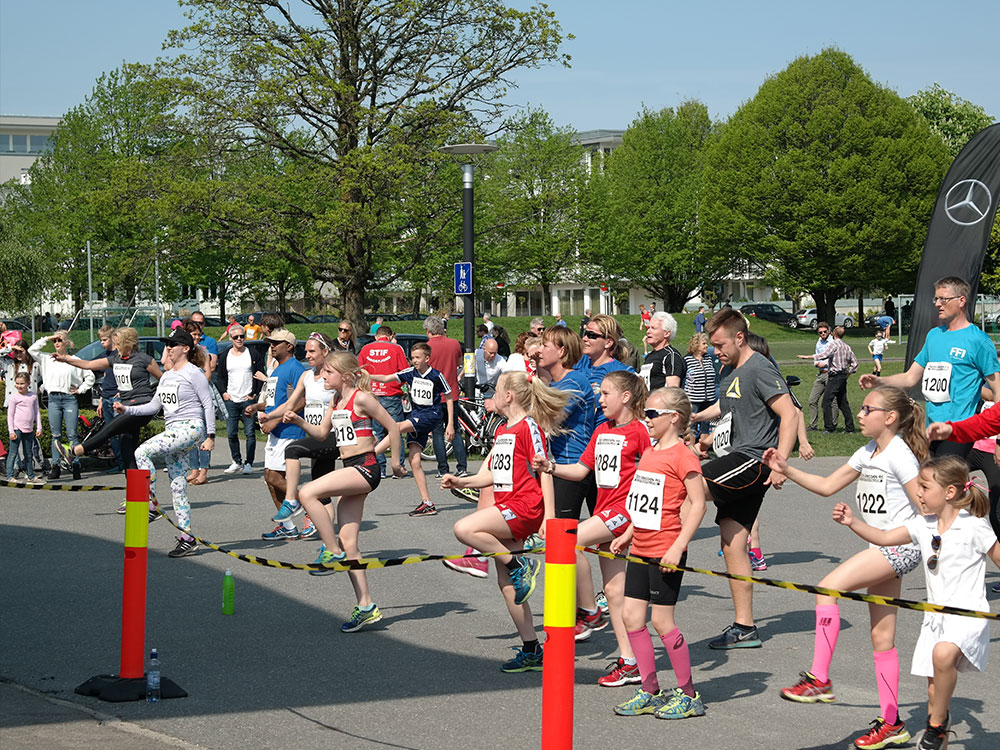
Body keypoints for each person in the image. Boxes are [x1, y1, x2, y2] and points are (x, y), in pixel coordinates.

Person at [762, 387, 927, 749]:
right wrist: (786, 468)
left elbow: (925, 507)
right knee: (882, 639)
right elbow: (827, 486)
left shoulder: (900, 455)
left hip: (898, 546)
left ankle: (819, 679)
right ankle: (892, 723)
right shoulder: (868, 451)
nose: (861, 414)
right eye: (862, 408)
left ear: (890, 418)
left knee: (826, 589)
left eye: (868, 409)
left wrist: (921, 539)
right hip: (880, 546)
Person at [832, 456, 1000, 750]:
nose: (918, 493)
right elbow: (884, 537)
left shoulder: (974, 526)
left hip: (967, 614)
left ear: (949, 492)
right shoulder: (923, 525)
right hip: (935, 617)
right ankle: (939, 728)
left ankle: (936, 725)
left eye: (924, 487)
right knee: (934, 693)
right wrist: (852, 522)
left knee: (943, 654)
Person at [442, 371, 569, 672]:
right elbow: (490, 475)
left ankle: (520, 564)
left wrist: (549, 517)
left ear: (509, 396)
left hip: (525, 507)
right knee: (506, 583)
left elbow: (544, 470)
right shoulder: (502, 430)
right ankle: (531, 648)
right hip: (506, 506)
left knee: (464, 528)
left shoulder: (529, 427)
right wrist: (461, 481)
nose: (492, 397)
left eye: (496, 391)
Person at [532, 371, 650, 687]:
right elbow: (581, 470)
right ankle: (630, 661)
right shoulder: (601, 430)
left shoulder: (640, 431)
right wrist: (550, 466)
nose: (600, 400)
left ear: (626, 397)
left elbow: (655, 474)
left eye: (606, 394)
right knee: (614, 592)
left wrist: (637, 522)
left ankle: (586, 611)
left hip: (623, 511)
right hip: (604, 510)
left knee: (566, 539)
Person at [691, 308, 798, 649]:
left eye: (720, 344)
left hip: (753, 459)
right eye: (712, 345)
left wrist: (780, 463)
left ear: (739, 338)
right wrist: (701, 426)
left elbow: (789, 414)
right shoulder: (729, 370)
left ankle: (662, 557)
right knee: (732, 542)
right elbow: (729, 409)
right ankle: (745, 627)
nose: (715, 351)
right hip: (735, 455)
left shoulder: (759, 368)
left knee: (687, 485)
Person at [281, 353, 405, 632]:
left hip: (366, 467)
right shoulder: (336, 400)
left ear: (346, 376)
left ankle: (331, 550)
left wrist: (396, 462)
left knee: (307, 492)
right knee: (350, 542)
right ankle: (366, 605)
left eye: (328, 372)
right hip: (351, 467)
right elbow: (321, 434)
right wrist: (298, 421)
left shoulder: (362, 398)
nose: (323, 376)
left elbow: (393, 426)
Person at [609, 386, 707, 719]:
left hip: (666, 549)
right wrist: (628, 533)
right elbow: (643, 504)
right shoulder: (650, 452)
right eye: (644, 414)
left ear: (673, 417)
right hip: (640, 547)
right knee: (631, 617)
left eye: (651, 414)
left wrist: (678, 546)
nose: (646, 419)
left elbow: (698, 504)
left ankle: (689, 695)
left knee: (662, 622)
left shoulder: (683, 456)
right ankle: (650, 690)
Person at [861, 276, 1000, 457]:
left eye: (944, 299)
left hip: (959, 431)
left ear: (961, 301)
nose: (937, 304)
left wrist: (999, 439)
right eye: (936, 299)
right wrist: (879, 381)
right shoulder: (934, 336)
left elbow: (997, 390)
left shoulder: (979, 340)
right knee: (926, 474)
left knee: (939, 475)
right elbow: (910, 378)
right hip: (931, 430)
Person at [115, 327, 215, 558]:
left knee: (142, 452)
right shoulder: (167, 376)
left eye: (172, 345)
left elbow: (208, 404)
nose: (168, 348)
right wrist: (126, 409)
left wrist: (211, 436)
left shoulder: (194, 373)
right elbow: (153, 406)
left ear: (186, 348)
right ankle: (187, 537)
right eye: (167, 345)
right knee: (178, 487)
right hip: (173, 430)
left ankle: (151, 504)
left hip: (190, 427)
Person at [54, 328, 162, 506]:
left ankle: (76, 451)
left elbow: (163, 380)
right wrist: (65, 359)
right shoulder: (115, 359)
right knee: (128, 454)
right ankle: (137, 499)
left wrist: (158, 402)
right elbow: (88, 364)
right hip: (125, 408)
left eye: (118, 343)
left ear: (128, 344)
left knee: (109, 429)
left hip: (141, 408)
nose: (116, 346)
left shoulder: (143, 359)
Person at [262, 332, 337, 540]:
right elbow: (290, 403)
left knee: (292, 451)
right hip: (315, 434)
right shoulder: (307, 376)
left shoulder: (334, 375)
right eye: (307, 351)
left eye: (312, 351)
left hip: (333, 435)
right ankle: (327, 540)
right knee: (321, 491)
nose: (308, 355)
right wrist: (270, 415)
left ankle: (294, 502)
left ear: (325, 352)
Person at [370, 341, 453, 516]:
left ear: (427, 358)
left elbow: (449, 397)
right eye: (412, 357)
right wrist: (366, 376)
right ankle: (427, 503)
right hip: (416, 415)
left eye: (417, 357)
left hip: (430, 415)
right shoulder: (409, 373)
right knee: (414, 461)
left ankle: (371, 455)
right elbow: (385, 378)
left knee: (396, 426)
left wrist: (451, 424)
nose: (414, 360)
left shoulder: (436, 376)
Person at [246, 328, 309, 540]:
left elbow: (302, 399)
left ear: (289, 346)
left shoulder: (295, 368)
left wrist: (275, 421)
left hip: (289, 430)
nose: (271, 346)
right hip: (276, 431)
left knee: (274, 477)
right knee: (270, 478)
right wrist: (257, 407)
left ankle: (311, 507)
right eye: (270, 343)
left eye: (276, 343)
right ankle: (288, 526)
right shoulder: (276, 369)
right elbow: (276, 401)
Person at [537, 326, 596, 520]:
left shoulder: (574, 382)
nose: (539, 350)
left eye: (545, 345)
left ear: (561, 351)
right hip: (560, 464)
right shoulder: (556, 383)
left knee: (560, 530)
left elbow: (549, 420)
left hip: (573, 463)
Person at [29, 332, 95, 480]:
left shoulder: (74, 360)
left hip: (69, 398)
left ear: (67, 342)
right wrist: (47, 338)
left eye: (60, 340)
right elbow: (31, 350)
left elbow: (90, 376)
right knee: (56, 434)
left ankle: (75, 464)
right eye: (55, 341)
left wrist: (81, 389)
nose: (57, 343)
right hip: (53, 399)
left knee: (72, 434)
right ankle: (56, 466)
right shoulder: (47, 358)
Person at [358, 325, 410, 479]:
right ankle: (398, 466)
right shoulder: (396, 348)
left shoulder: (365, 349)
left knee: (376, 432)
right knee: (396, 430)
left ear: (376, 336)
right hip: (391, 393)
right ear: (390, 336)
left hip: (371, 394)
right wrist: (401, 387)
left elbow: (359, 372)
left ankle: (379, 467)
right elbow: (405, 371)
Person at [217, 323, 266, 475]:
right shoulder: (225, 355)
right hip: (231, 399)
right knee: (231, 433)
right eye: (236, 337)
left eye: (241, 336)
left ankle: (248, 463)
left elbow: (259, 374)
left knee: (250, 432)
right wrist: (224, 393)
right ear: (230, 338)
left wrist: (253, 394)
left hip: (247, 399)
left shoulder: (252, 354)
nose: (239, 339)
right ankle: (236, 461)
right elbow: (220, 376)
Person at [424, 315, 467, 478]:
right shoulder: (454, 343)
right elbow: (459, 362)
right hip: (452, 393)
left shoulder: (427, 347)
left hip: (433, 396)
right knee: (454, 430)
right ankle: (462, 467)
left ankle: (443, 469)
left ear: (428, 331)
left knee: (437, 433)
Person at [799, 325, 858, 434]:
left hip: (834, 376)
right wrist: (848, 373)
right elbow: (855, 363)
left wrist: (808, 357)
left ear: (833, 334)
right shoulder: (847, 347)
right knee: (843, 403)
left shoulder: (834, 345)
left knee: (826, 401)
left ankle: (829, 427)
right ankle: (850, 428)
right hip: (842, 376)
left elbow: (824, 355)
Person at [579, 314, 635, 426]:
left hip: (603, 432)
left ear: (608, 342)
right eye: (585, 333)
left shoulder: (622, 372)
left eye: (591, 335)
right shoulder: (577, 362)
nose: (584, 338)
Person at [6, 373, 42, 483]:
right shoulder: (14, 397)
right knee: (13, 453)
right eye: (17, 383)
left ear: (28, 383)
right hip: (17, 428)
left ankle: (30, 475)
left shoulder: (33, 396)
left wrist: (39, 428)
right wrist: (11, 431)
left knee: (28, 453)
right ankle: (9, 476)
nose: (19, 386)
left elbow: (37, 412)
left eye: (22, 383)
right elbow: (10, 414)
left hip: (29, 429)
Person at [683, 333, 717, 439]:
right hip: (694, 398)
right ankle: (691, 446)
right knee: (691, 425)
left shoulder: (708, 358)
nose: (706, 346)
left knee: (706, 425)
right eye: (704, 343)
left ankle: (703, 446)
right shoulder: (687, 360)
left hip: (709, 398)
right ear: (696, 345)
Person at [642, 311, 686, 392]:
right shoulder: (649, 356)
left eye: (653, 328)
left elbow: (673, 391)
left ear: (667, 333)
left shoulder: (671, 356)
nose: (648, 331)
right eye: (648, 328)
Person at [804, 322, 833, 431]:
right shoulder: (819, 342)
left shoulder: (833, 342)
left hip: (830, 373)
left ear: (828, 331)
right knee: (812, 400)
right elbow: (816, 356)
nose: (823, 334)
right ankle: (813, 425)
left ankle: (833, 425)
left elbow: (834, 357)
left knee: (832, 401)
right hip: (821, 374)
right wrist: (816, 363)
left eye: (825, 331)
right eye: (820, 332)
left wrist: (825, 363)